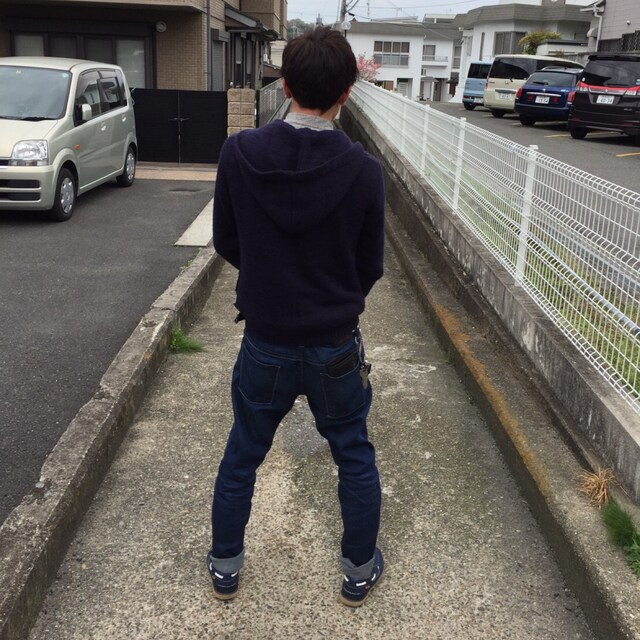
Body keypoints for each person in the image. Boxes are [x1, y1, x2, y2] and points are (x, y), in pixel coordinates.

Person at [208, 26, 385, 607]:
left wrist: (268, 278)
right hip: (335, 343)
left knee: (243, 453)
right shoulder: (363, 169)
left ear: (283, 85)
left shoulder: (240, 154)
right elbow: (370, 265)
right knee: (353, 454)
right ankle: (358, 570)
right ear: (347, 92)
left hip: (266, 339)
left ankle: (226, 566)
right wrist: (333, 296)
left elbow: (227, 240)